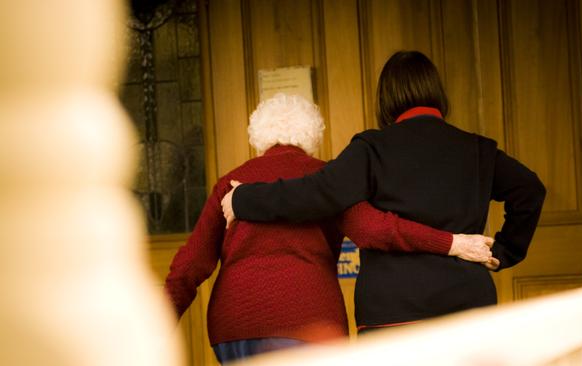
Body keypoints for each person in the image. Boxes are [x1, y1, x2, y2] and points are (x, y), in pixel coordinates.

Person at [222, 51, 546, 334]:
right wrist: (505, 251)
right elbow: (530, 190)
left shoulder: (371, 149)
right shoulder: (477, 150)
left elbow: (315, 193)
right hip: (467, 305)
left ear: (386, 99)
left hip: (392, 313)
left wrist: (243, 199)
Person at [164, 93, 496, 364]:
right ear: (313, 136)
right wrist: (451, 242)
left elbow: (191, 264)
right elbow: (374, 229)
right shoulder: (328, 180)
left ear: (257, 137)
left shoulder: (231, 183)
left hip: (233, 328)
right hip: (308, 324)